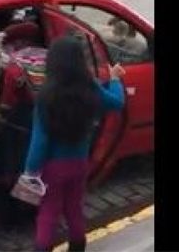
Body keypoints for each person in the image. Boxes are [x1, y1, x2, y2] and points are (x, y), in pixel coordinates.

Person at [22, 35, 126, 252]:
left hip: (52, 167)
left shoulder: (46, 96)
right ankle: (78, 247)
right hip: (79, 163)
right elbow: (116, 103)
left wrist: (30, 172)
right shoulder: (92, 89)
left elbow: (39, 141)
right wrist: (115, 79)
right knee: (74, 209)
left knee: (48, 212)